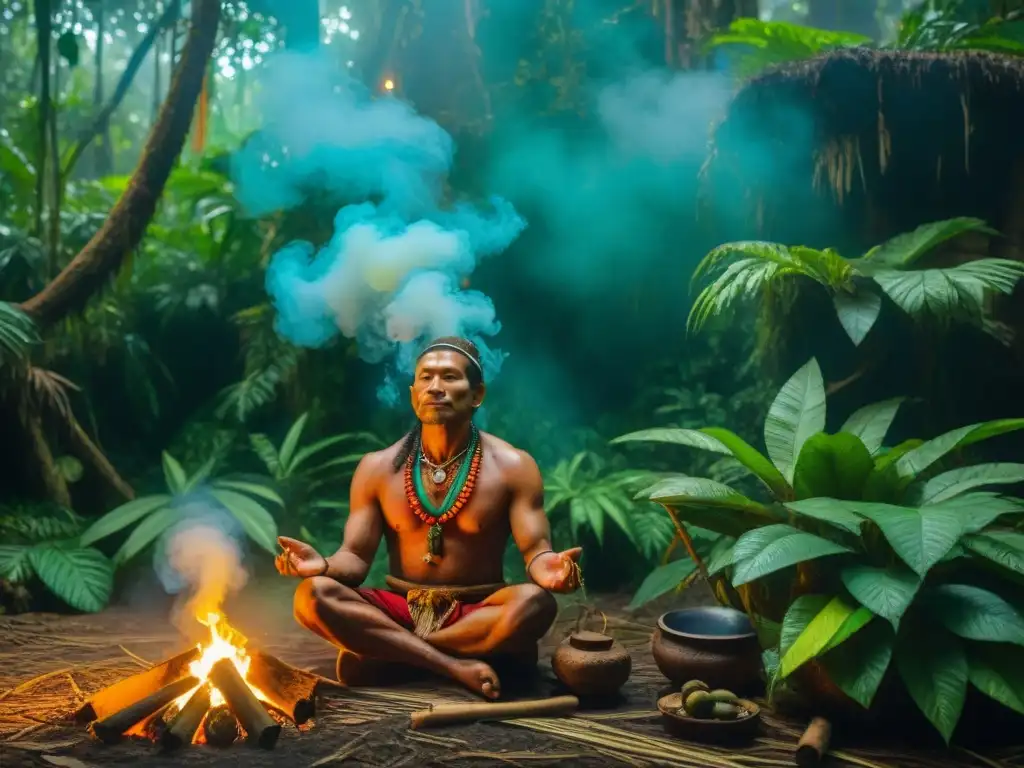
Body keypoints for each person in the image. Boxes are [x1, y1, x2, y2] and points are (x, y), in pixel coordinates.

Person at [275, 336, 582, 700]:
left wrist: (551, 569)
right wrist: (322, 565)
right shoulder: (377, 468)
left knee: (535, 604)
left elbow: (536, 549)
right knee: (311, 596)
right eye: (425, 377)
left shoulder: (514, 466)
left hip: (476, 610)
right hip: (401, 607)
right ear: (412, 392)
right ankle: (454, 664)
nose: (435, 387)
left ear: (477, 394)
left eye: (450, 377)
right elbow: (355, 559)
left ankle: (391, 653)